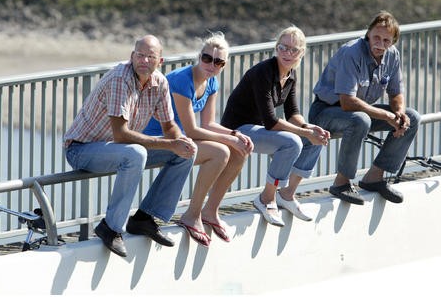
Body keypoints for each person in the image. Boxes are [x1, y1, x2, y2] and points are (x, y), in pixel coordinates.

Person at [63, 35, 197, 257]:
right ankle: (111, 228)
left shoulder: (160, 82)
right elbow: (121, 135)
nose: (144, 60)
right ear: (132, 56)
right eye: (140, 55)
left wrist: (181, 141)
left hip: (117, 149)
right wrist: (170, 143)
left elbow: (169, 126)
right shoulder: (120, 79)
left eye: (150, 57)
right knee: (135, 153)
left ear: (160, 61)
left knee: (185, 153)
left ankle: (144, 218)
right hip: (82, 150)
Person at [143, 32, 253, 246]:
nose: (211, 65)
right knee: (221, 152)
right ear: (199, 57)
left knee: (239, 151)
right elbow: (193, 130)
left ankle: (210, 211)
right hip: (157, 140)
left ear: (224, 65)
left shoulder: (212, 83)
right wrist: (229, 141)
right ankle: (191, 215)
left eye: (218, 61)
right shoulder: (181, 80)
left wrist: (235, 135)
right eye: (206, 58)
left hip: (181, 139)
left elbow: (209, 124)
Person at [221, 26, 330, 227]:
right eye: (283, 47)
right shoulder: (263, 72)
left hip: (257, 130)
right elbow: (271, 122)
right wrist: (304, 132)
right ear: (276, 48)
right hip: (237, 130)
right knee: (292, 142)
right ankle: (266, 198)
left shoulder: (290, 75)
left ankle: (287, 194)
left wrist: (310, 128)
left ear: (302, 53)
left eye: (294, 50)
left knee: (316, 140)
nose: (288, 53)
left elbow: (293, 114)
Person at [310, 11, 420, 205]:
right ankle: (341, 183)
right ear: (368, 33)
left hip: (361, 111)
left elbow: (396, 93)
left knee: (412, 117)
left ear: (393, 42)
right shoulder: (351, 52)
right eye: (376, 37)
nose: (380, 44)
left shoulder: (393, 55)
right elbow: (347, 102)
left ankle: (374, 177)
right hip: (326, 111)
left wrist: (399, 114)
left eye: (386, 40)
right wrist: (386, 115)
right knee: (361, 120)